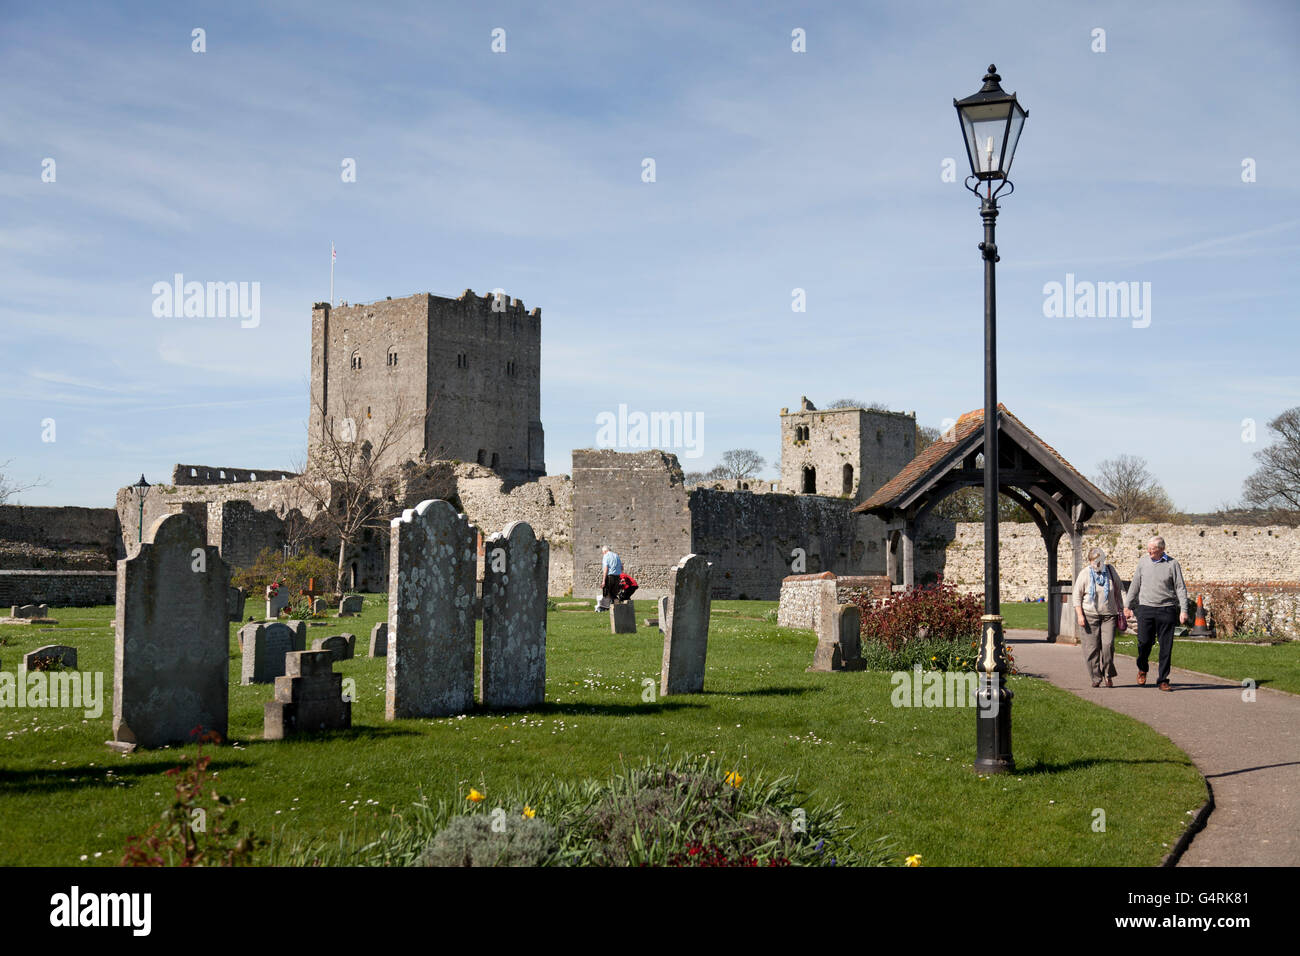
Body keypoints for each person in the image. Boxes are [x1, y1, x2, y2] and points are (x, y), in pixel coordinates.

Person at [1124, 536, 1189, 692]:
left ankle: (1163, 680)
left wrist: (1184, 610)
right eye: (1148, 549)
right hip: (1146, 608)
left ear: (1161, 549)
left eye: (1152, 550)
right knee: (1144, 642)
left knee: (1166, 646)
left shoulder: (1172, 564)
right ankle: (1142, 668)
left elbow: (1180, 587)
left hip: (1166, 609)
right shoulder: (1143, 562)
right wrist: (1127, 605)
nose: (1149, 552)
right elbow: (1135, 585)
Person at [1072, 547, 1126, 687]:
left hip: (1109, 615)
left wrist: (1125, 607)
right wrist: (1079, 615)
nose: (1097, 564)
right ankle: (1096, 678)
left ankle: (1108, 675)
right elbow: (1076, 596)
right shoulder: (1084, 574)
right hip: (1089, 616)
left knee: (1108, 646)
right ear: (1090, 561)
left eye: (1099, 561)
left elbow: (1120, 590)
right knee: (1091, 649)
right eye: (1094, 562)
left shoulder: (1111, 571)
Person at [595, 544, 623, 612]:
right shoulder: (616, 555)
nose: (603, 554)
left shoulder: (606, 556)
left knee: (606, 593)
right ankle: (616, 608)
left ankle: (604, 608)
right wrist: (620, 577)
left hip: (610, 576)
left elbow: (606, 569)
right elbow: (622, 567)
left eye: (603, 552)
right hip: (617, 576)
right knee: (614, 593)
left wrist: (603, 581)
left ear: (605, 551)